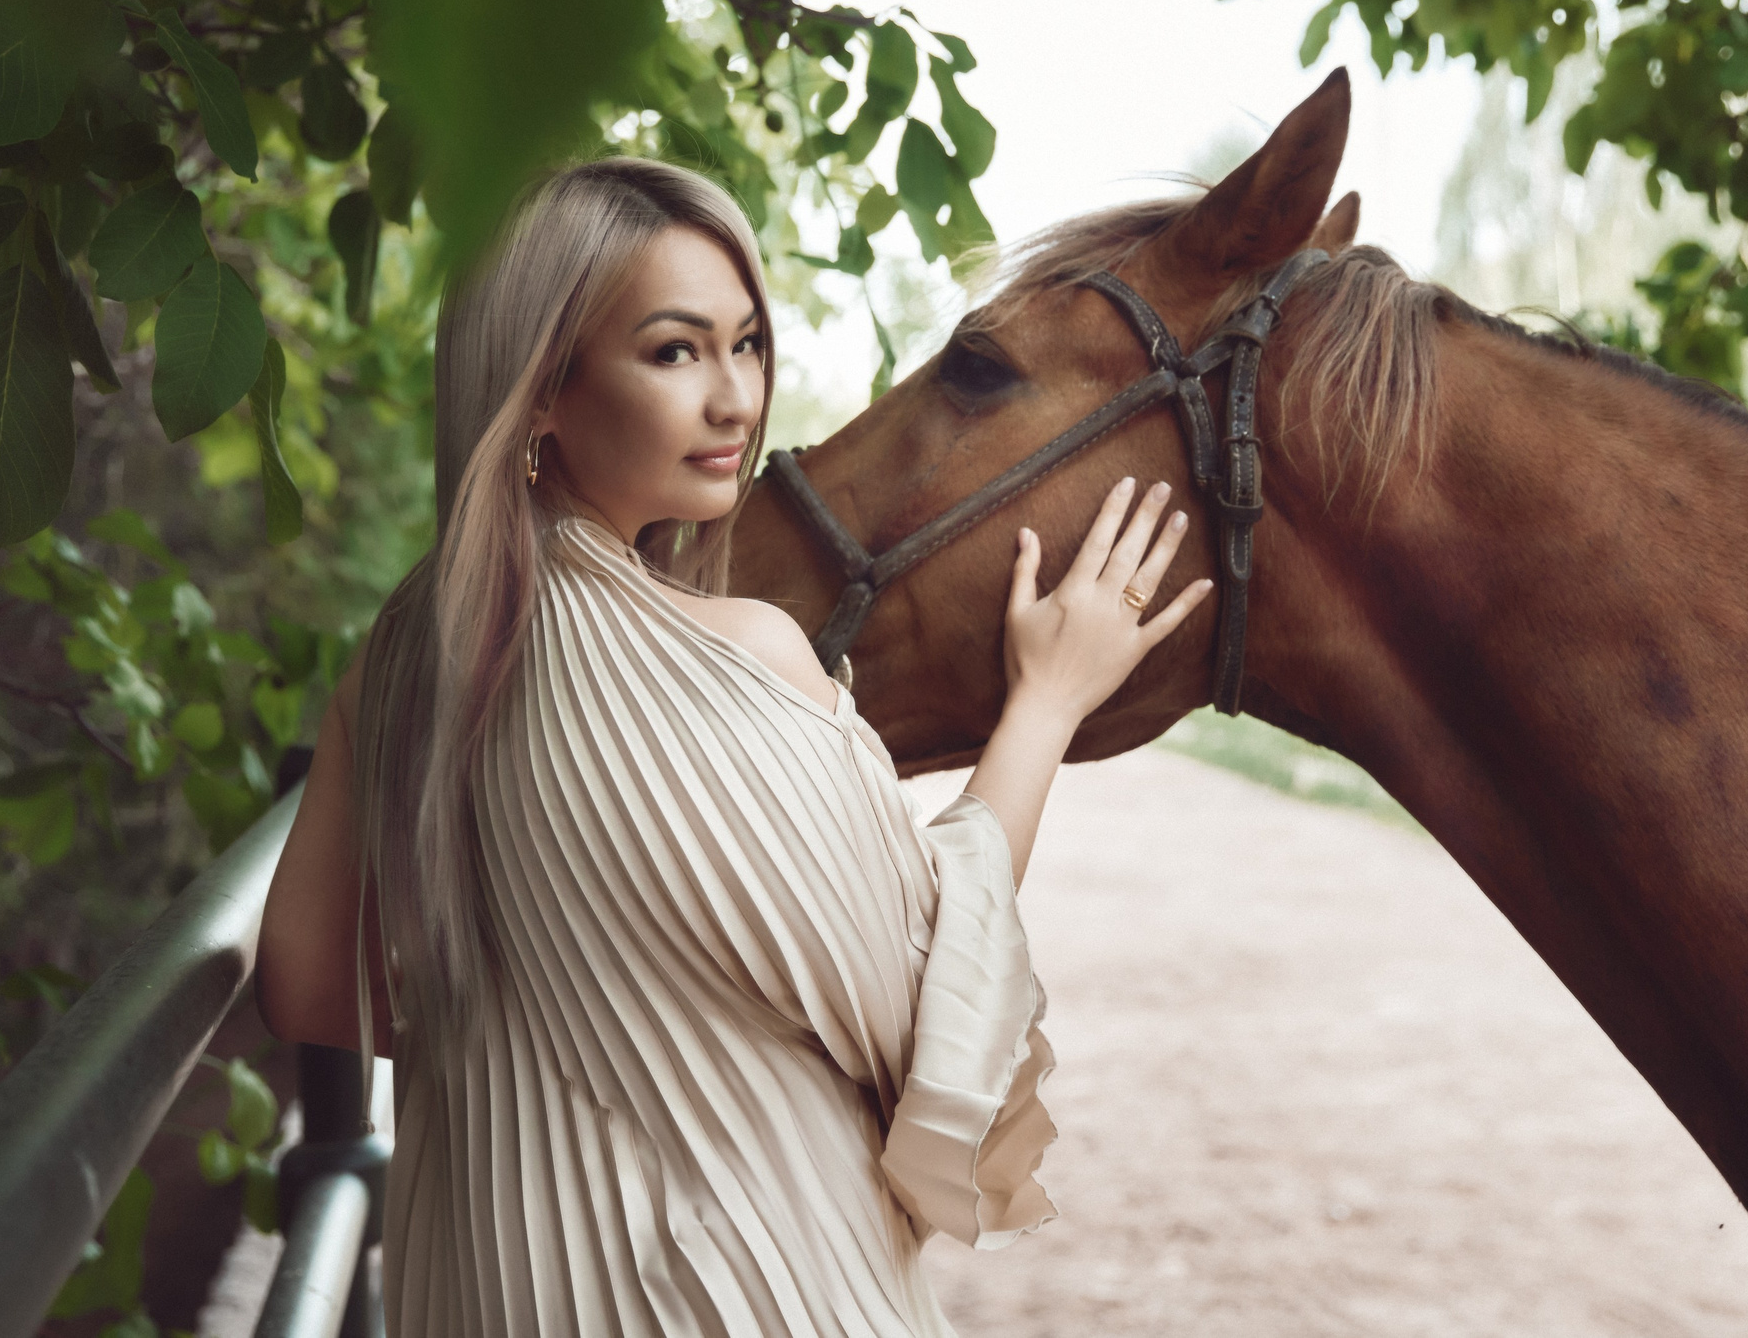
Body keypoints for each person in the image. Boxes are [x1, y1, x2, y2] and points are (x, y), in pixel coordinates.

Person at [257, 157, 1212, 1337]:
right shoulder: (740, 648)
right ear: (538, 388)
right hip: (756, 1289)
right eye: (673, 350)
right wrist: (1048, 702)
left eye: (745, 343)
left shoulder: (399, 650)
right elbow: (925, 1003)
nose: (734, 400)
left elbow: (302, 977)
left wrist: (560, 1035)